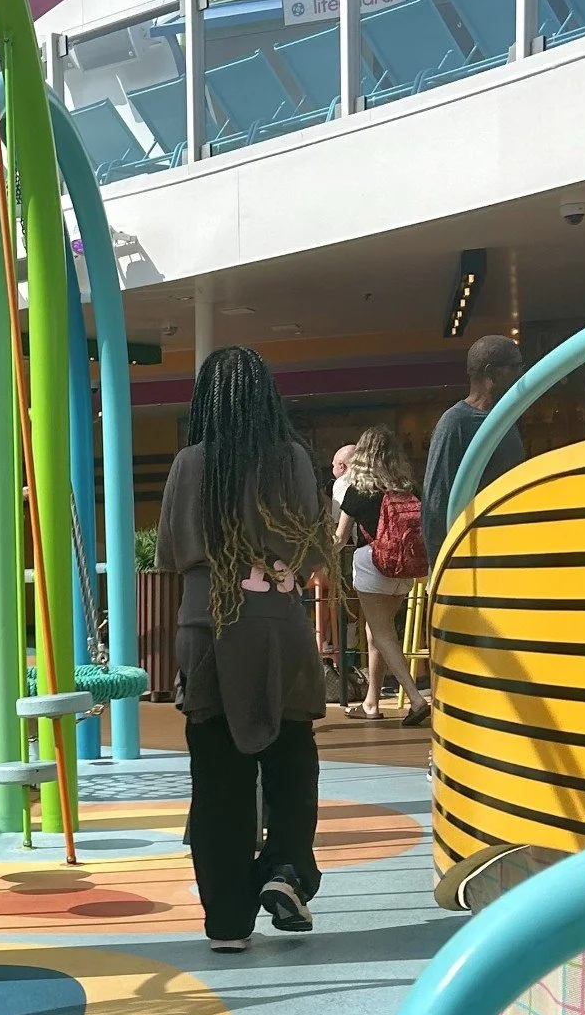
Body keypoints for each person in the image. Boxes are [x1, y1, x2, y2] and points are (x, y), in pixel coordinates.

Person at [155, 347, 331, 953]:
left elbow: (170, 556)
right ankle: (285, 868)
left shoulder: (189, 463)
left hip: (207, 632)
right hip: (280, 628)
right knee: (290, 759)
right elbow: (311, 551)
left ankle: (227, 922)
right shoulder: (295, 462)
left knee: (219, 780)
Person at [334, 426, 431, 726]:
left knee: (383, 634)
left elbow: (340, 537)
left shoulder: (358, 491)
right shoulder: (408, 488)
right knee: (378, 633)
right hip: (404, 570)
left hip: (373, 564)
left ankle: (416, 699)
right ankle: (371, 702)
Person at [422, 334, 525, 564]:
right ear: (491, 373)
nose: (522, 374)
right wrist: (443, 571)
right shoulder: (456, 423)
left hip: (507, 552)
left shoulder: (505, 420)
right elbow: (435, 505)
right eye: (515, 366)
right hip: (475, 559)